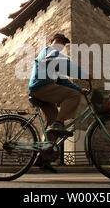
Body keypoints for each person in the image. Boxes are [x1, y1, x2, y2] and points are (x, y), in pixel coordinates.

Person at [28, 33, 92, 172]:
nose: (61, 44)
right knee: (73, 97)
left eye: (63, 43)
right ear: (51, 41)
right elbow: (65, 64)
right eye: (59, 41)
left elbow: (63, 81)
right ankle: (59, 123)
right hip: (41, 86)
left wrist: (79, 89)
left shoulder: (55, 58)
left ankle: (42, 157)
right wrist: (83, 74)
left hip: (43, 90)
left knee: (52, 124)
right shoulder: (48, 51)